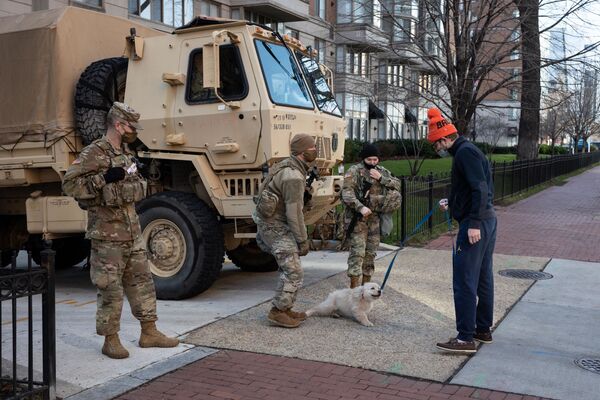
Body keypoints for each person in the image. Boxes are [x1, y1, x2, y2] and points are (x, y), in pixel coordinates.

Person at [62, 102, 179, 359]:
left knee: (142, 283)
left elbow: (134, 187)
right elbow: (70, 185)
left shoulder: (125, 153)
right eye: (130, 126)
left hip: (131, 231)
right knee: (110, 288)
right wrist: (104, 179)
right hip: (107, 235)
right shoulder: (95, 152)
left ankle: (149, 332)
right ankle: (110, 339)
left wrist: (139, 176)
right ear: (118, 124)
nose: (132, 131)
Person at [426, 108, 497, 354]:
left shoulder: (464, 153)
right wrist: (453, 202)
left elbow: (480, 189)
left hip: (475, 223)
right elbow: (475, 188)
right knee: (483, 277)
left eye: (437, 144)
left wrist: (474, 223)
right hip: (486, 220)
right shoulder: (469, 150)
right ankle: (482, 329)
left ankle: (465, 337)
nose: (438, 149)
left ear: (444, 139)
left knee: (464, 280)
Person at [253, 133, 317, 328]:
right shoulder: (293, 176)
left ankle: (285, 307)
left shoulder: (286, 165)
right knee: (294, 270)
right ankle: (278, 312)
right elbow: (294, 213)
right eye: (312, 148)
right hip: (275, 227)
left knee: (289, 268)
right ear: (302, 152)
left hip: (270, 223)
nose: (315, 151)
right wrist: (302, 240)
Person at [341, 143, 401, 288]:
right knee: (358, 253)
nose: (373, 163)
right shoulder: (354, 171)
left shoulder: (381, 171)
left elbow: (397, 184)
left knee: (371, 253)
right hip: (358, 219)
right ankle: (354, 290)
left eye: (375, 159)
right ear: (364, 159)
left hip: (375, 219)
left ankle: (365, 287)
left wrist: (382, 179)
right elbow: (347, 194)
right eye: (369, 160)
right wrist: (360, 207)